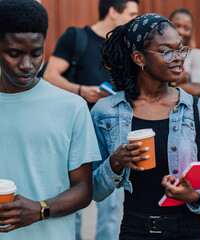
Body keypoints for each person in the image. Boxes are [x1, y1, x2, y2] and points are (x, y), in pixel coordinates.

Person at [91, 13, 200, 239]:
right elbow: (94, 190)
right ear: (139, 58)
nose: (178, 58)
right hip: (134, 229)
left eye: (180, 50)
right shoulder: (106, 112)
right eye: (167, 52)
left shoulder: (198, 110)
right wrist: (115, 162)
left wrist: (194, 195)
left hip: (188, 229)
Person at [0, 0, 101, 239]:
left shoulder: (72, 107)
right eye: (14, 54)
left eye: (36, 53)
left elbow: (84, 189)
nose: (27, 65)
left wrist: (40, 209)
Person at [44, 1, 139, 239]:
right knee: (73, 200)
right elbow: (49, 75)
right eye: (131, 14)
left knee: (110, 207)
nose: (135, 20)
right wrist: (81, 91)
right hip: (73, 133)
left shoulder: (126, 47)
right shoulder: (76, 38)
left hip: (110, 134)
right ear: (113, 11)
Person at [169, 8, 200, 96]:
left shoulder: (195, 54)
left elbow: (197, 90)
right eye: (177, 25)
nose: (181, 31)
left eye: (186, 28)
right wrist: (177, 81)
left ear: (192, 32)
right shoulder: (161, 52)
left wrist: (169, 85)